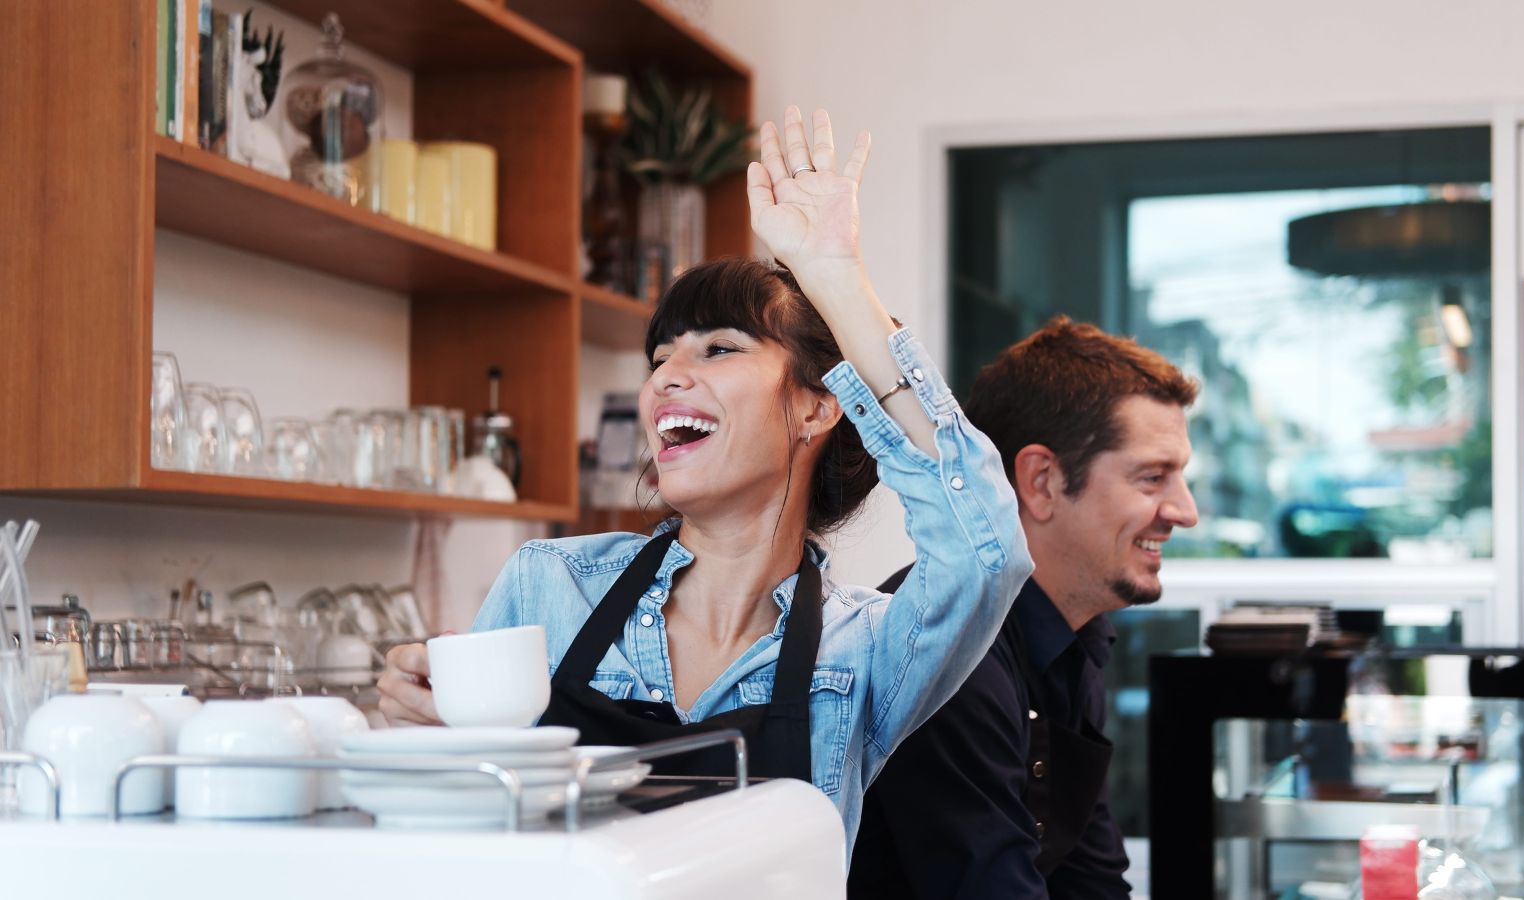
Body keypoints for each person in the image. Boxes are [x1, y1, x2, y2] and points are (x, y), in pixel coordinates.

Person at [376, 107, 1032, 853]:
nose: (668, 378)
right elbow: (457, 829)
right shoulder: (550, 585)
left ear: (820, 407)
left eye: (719, 349)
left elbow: (986, 547)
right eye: (659, 357)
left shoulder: (865, 652)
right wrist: (421, 727)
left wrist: (835, 277)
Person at [848, 319, 1200, 898]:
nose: (1185, 512)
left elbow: (1092, 879)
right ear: (1041, 482)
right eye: (1153, 477)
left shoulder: (1077, 639)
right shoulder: (947, 645)